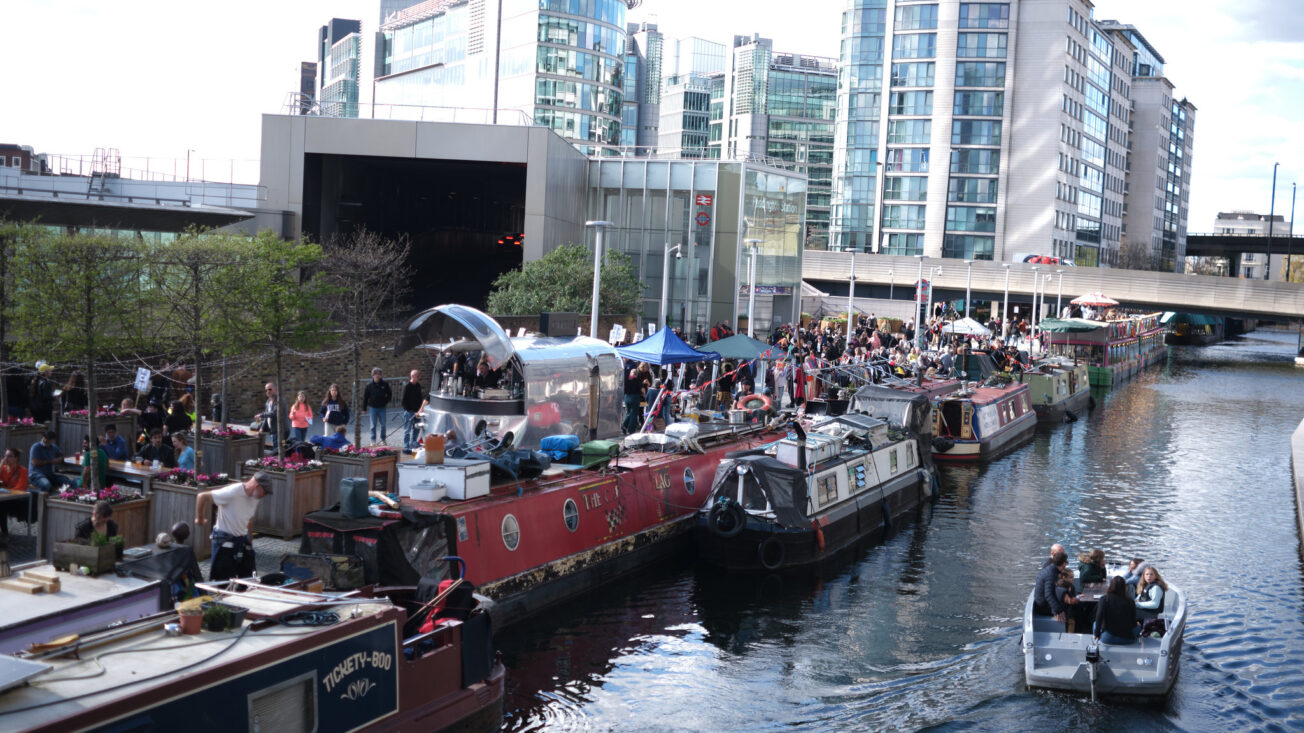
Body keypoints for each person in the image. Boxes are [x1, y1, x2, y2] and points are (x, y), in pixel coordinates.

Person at [194, 472, 272, 580]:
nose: (265, 495)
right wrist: (200, 518)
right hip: (224, 540)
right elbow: (202, 496)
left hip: (242, 540)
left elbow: (249, 518)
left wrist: (250, 538)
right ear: (257, 486)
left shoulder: (255, 497)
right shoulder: (233, 491)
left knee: (249, 581)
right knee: (222, 582)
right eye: (265, 492)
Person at [1094, 576, 1140, 645]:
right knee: (1138, 626)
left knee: (1095, 624)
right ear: (1124, 587)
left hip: (1108, 638)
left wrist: (1096, 634)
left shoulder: (1104, 599)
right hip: (1127, 639)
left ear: (1110, 586)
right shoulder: (1130, 601)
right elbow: (1133, 622)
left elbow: (1099, 617)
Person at [1034, 549, 1069, 623]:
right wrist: (1058, 611)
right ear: (1063, 564)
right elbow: (1048, 594)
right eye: (1066, 562)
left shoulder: (1051, 569)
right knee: (1071, 609)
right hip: (1043, 607)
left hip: (1042, 603)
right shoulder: (1051, 574)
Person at [363, 367, 392, 445]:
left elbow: (389, 394)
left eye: (379, 374)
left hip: (382, 408)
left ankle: (383, 439)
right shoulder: (369, 386)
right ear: (373, 375)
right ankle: (373, 440)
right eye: (376, 374)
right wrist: (364, 408)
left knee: (383, 424)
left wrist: (385, 401)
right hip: (373, 408)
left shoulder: (385, 384)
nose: (377, 375)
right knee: (373, 425)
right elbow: (365, 397)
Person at [401, 369, 428, 452]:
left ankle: (413, 442)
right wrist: (409, 410)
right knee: (407, 430)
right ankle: (406, 446)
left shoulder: (418, 386)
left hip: (417, 411)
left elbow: (420, 398)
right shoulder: (407, 387)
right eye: (417, 376)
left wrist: (420, 409)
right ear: (412, 376)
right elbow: (404, 401)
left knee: (416, 428)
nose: (419, 378)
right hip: (409, 411)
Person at [255, 382, 282, 452]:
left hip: (280, 430)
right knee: (276, 449)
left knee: (277, 450)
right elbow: (267, 416)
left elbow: (274, 413)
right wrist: (262, 428)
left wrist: (261, 415)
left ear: (275, 389)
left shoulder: (280, 400)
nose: (268, 391)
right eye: (266, 390)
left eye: (270, 389)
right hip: (273, 430)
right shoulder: (268, 402)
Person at [622, 367, 644, 434]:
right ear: (636, 374)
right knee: (634, 414)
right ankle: (631, 430)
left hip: (626, 397)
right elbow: (642, 390)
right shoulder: (638, 380)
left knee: (629, 413)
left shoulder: (626, 379)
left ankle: (624, 425)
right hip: (635, 397)